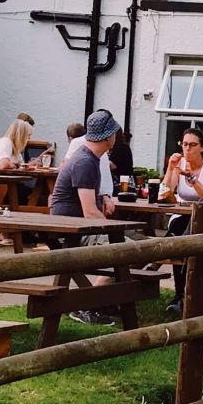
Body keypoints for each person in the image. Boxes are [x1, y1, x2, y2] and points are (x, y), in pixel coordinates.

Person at [49, 108, 121, 320]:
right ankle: (88, 304)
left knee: (138, 245)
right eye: (115, 132)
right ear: (108, 137)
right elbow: (90, 213)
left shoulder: (89, 158)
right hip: (71, 232)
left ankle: (100, 300)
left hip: (74, 228)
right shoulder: (85, 162)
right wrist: (116, 229)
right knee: (129, 250)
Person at [160, 126, 203, 314]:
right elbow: (166, 192)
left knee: (179, 237)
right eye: (184, 144)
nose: (187, 149)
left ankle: (183, 296)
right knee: (180, 233)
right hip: (182, 216)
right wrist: (172, 169)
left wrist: (191, 178)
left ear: (202, 147)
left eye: (192, 145)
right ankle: (181, 295)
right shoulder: (179, 162)